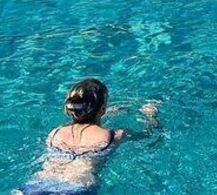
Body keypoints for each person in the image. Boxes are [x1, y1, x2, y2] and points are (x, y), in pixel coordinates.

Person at [16, 78, 160, 195]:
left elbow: (80, 124)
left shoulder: (55, 133)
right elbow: (149, 135)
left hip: (36, 184)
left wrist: (102, 112)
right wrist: (151, 117)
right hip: (76, 187)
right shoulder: (115, 135)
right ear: (102, 109)